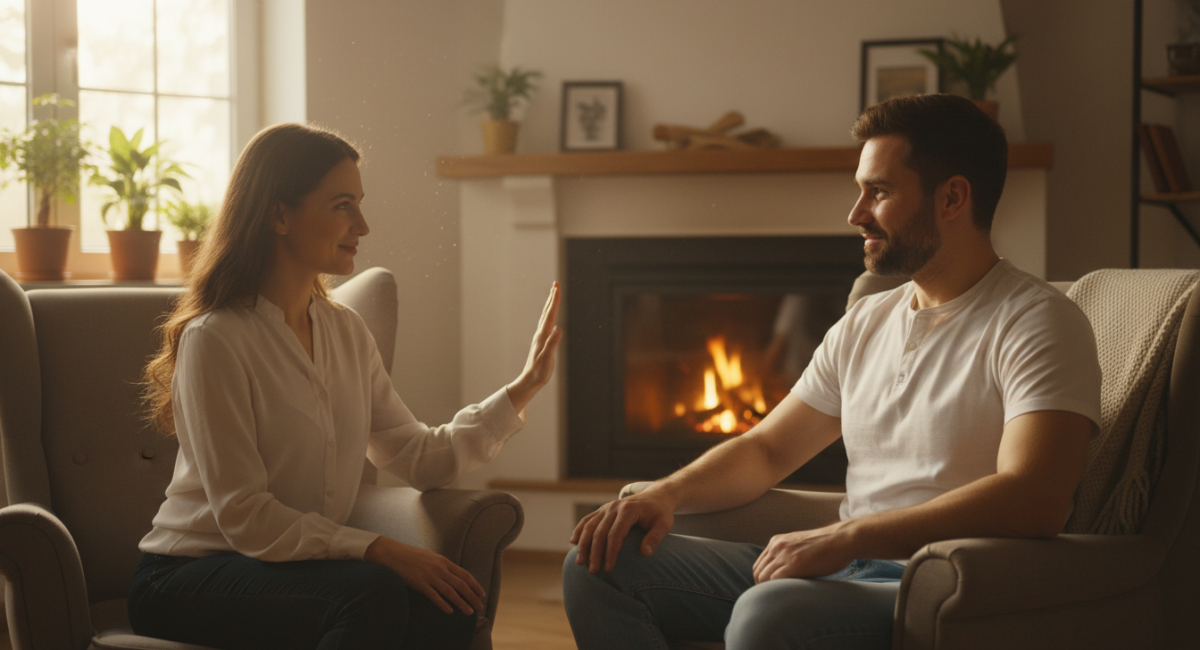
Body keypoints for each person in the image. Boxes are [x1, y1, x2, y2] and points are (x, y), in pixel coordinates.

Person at [562, 94, 1102, 650]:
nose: (856, 213)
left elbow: (1035, 497)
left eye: (881, 191)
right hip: (836, 566)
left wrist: (848, 536)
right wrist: (666, 495)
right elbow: (768, 450)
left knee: (770, 612)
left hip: (934, 583)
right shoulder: (867, 320)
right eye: (860, 190)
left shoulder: (1037, 322)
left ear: (953, 198)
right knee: (597, 562)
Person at [130, 122, 562, 650]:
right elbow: (245, 516)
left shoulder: (345, 332)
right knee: (371, 593)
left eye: (358, 203)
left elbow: (418, 457)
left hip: (296, 573)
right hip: (188, 576)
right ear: (278, 214)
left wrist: (524, 387)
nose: (363, 224)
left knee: (449, 605)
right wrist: (378, 548)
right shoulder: (215, 339)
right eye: (342, 205)